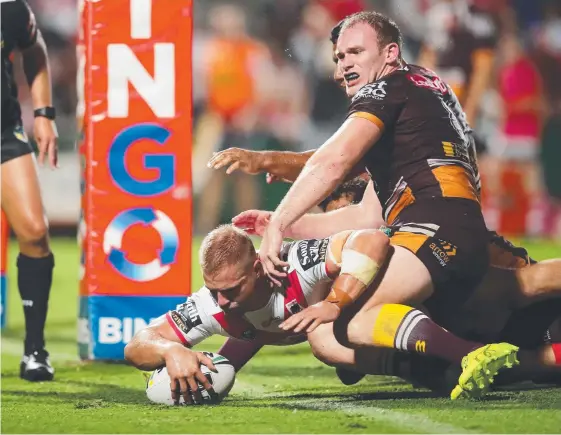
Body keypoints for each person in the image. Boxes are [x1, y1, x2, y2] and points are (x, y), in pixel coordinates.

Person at [125, 225, 558, 404]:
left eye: (231, 289)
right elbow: (138, 343)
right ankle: (473, 360)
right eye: (213, 292)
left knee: (526, 287)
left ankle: (467, 355)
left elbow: (371, 240)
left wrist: (335, 300)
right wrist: (169, 352)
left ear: (258, 266)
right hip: (416, 322)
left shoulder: (297, 262)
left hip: (437, 278)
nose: (220, 302)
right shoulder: (215, 306)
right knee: (528, 356)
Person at [1, 0, 57, 381]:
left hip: (4, 133)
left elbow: (34, 50)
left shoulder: (9, 8)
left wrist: (43, 114)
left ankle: (34, 350)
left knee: (35, 233)